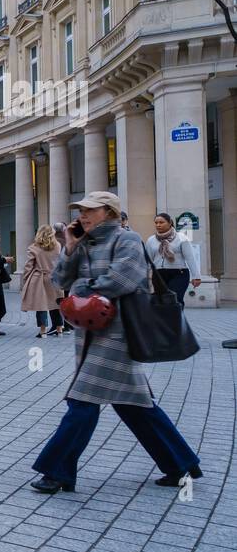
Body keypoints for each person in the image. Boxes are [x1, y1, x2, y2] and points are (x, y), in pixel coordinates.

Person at [31, 192, 202, 493]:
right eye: (80, 211)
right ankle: (180, 465)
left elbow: (125, 280)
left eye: (89, 210)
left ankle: (57, 471)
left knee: (82, 400)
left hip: (119, 334)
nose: (82, 216)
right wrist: (70, 248)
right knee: (136, 405)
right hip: (90, 333)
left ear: (109, 212)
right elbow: (59, 280)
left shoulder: (128, 239)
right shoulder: (83, 242)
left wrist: (81, 288)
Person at [145, 213, 201, 308]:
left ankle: (177, 321)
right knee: (161, 301)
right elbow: (147, 260)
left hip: (179, 273)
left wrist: (196, 276)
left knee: (175, 300)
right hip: (159, 275)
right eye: (156, 223)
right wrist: (144, 277)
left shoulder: (182, 238)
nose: (158, 225)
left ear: (170, 222)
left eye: (161, 222)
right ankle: (165, 322)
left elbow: (190, 257)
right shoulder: (151, 240)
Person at [21, 225, 63, 337]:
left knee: (41, 305)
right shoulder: (58, 246)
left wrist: (25, 279)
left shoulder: (33, 247)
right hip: (55, 278)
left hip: (39, 278)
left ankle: (43, 331)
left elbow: (28, 266)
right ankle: (59, 329)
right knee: (56, 304)